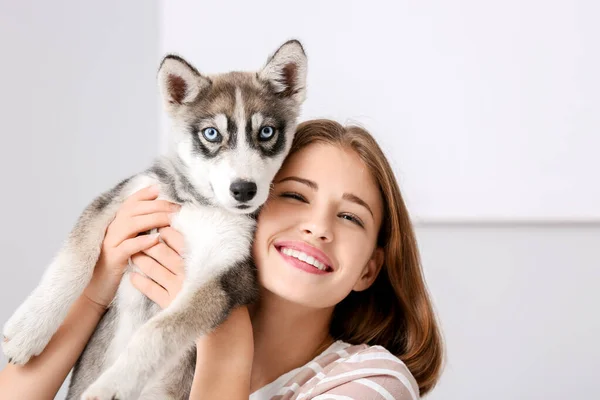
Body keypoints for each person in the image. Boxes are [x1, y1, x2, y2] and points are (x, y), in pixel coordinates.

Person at [0, 119, 444, 399]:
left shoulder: (373, 380)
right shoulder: (164, 336)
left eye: (350, 216)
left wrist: (225, 345)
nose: (318, 227)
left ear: (369, 268)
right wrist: (97, 290)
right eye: (293, 196)